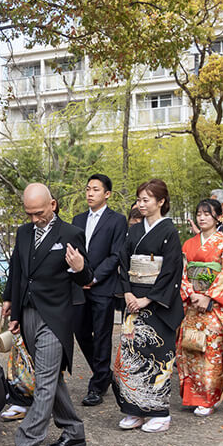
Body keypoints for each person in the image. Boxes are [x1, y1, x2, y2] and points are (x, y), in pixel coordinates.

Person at [2, 183, 92, 446]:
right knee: (51, 378)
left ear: (52, 205)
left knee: (43, 382)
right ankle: (74, 431)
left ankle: (26, 445)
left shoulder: (71, 234)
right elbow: (17, 271)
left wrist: (79, 268)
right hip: (27, 312)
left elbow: (86, 278)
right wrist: (11, 305)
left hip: (56, 317)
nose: (33, 219)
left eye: (38, 212)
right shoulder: (23, 232)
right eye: (29, 213)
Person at [112, 179, 184, 433]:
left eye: (146, 200)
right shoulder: (133, 230)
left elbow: (171, 270)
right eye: (139, 199)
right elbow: (123, 263)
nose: (141, 204)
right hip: (133, 300)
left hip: (157, 304)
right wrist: (128, 293)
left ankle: (160, 412)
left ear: (161, 202)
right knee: (132, 355)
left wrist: (148, 298)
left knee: (157, 356)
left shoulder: (169, 232)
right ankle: (134, 410)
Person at [177, 199, 223, 416]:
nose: (202, 217)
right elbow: (183, 273)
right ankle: (193, 396)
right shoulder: (188, 244)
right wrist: (191, 294)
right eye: (199, 214)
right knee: (191, 348)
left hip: (213, 307)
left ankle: (210, 398)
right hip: (193, 305)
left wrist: (209, 297)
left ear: (218, 218)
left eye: (207, 214)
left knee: (211, 353)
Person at [72, 174, 127, 407]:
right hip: (79, 286)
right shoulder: (77, 219)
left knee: (102, 334)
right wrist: (79, 275)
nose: (89, 193)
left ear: (107, 194)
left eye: (95, 189)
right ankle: (103, 374)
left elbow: (116, 255)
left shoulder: (117, 220)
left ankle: (96, 386)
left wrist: (93, 277)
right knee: (81, 332)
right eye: (87, 189)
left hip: (103, 286)